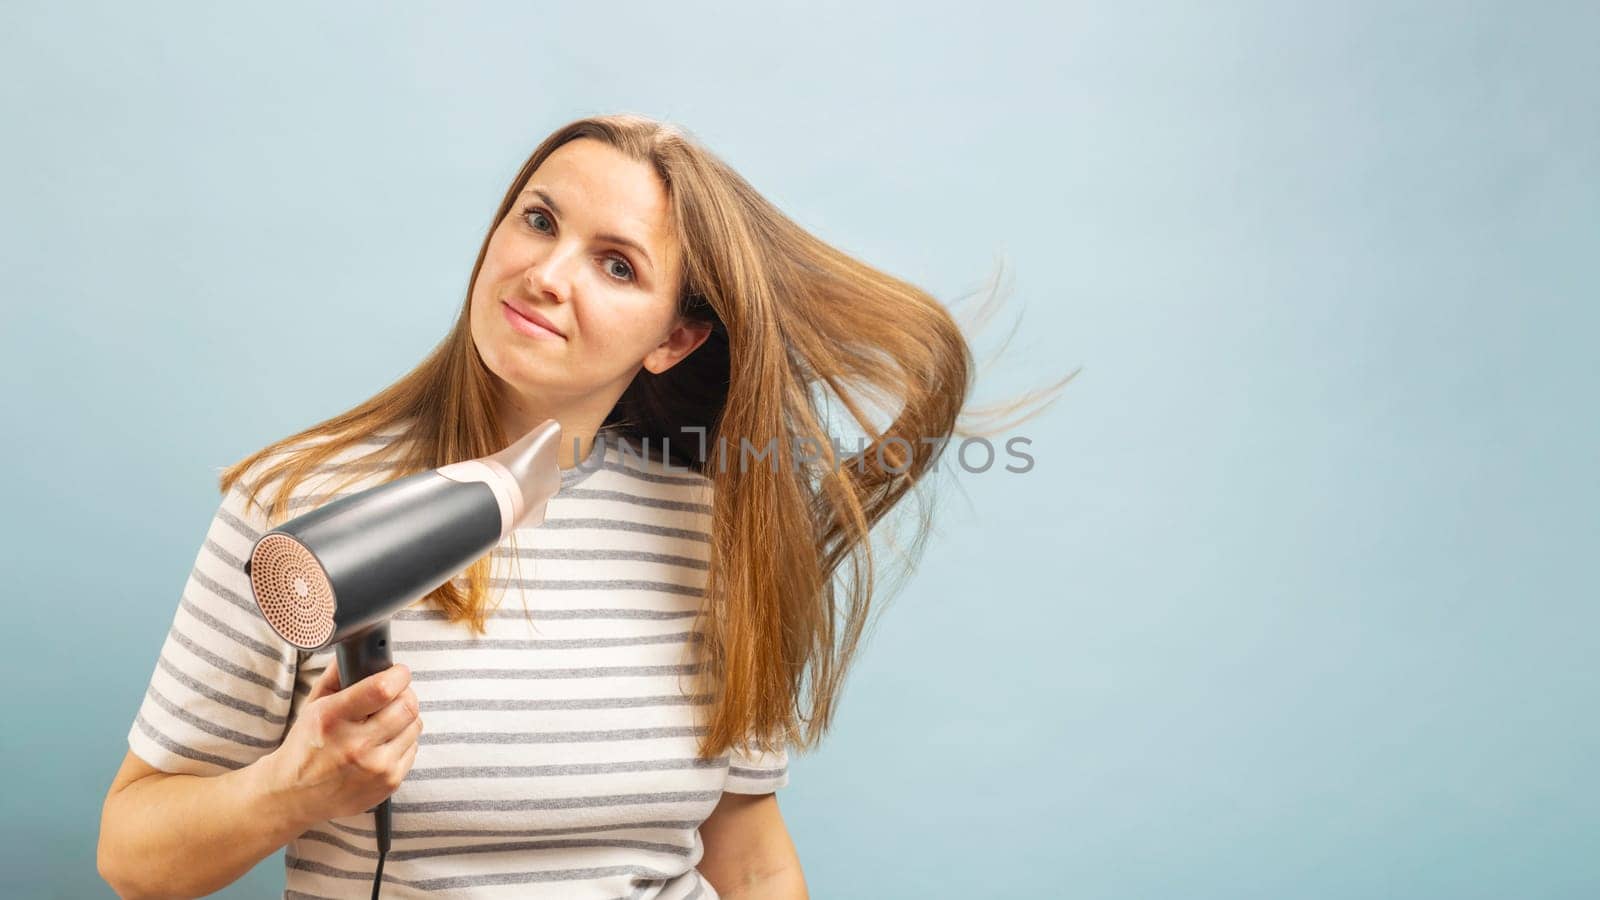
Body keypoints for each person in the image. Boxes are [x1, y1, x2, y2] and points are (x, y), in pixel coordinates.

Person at [96, 114, 1070, 899]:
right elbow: (131, 857)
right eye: (538, 219)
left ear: (676, 339)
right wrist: (292, 792)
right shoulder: (302, 508)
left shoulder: (715, 528)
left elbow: (749, 850)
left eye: (617, 264)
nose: (547, 274)